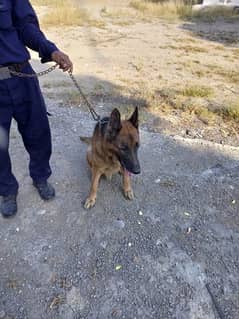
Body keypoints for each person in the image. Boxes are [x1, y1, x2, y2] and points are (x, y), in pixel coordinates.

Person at [0, 0, 73, 218]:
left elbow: (26, 27)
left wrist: (50, 50)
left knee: (38, 130)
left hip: (21, 75)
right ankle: (7, 190)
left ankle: (40, 176)